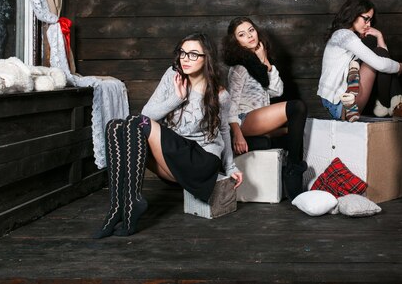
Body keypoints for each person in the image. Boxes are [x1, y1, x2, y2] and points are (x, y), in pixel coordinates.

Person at [94, 32, 243, 238]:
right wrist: (177, 97)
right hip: (172, 155)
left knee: (135, 123)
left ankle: (129, 205)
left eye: (193, 54)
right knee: (115, 127)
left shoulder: (220, 95)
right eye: (182, 53)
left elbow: (224, 130)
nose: (185, 59)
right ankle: (119, 208)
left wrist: (230, 167)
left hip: (200, 161)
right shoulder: (172, 76)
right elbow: (148, 113)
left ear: (206, 57)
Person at [222, 17, 308, 200]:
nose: (250, 36)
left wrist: (265, 61)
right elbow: (231, 105)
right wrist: (237, 134)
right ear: (236, 42)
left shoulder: (259, 63)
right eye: (242, 35)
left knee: (295, 132)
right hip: (243, 120)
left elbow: (277, 90)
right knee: (297, 107)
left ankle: (291, 180)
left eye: (251, 30)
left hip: (259, 120)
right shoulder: (239, 67)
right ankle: (293, 172)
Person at [318, 0, 402, 123]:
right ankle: (399, 106)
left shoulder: (343, 35)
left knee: (380, 56)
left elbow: (384, 60)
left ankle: (398, 106)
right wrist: (399, 66)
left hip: (338, 104)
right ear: (353, 14)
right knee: (380, 58)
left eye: (370, 20)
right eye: (366, 19)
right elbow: (381, 64)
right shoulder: (344, 35)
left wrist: (379, 36)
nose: (369, 24)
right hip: (342, 106)